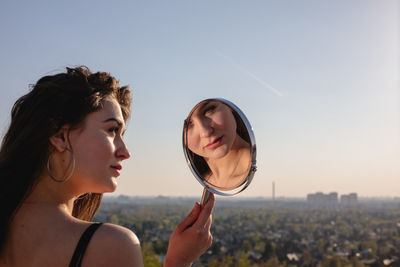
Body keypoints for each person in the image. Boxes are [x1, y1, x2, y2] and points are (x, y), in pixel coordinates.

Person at [0, 66, 215, 267]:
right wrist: (179, 261)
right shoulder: (112, 247)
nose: (125, 152)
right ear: (60, 137)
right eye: (112, 130)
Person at [185, 100, 251, 190]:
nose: (205, 132)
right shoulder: (199, 184)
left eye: (209, 110)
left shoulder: (268, 170)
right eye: (188, 125)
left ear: (230, 107)